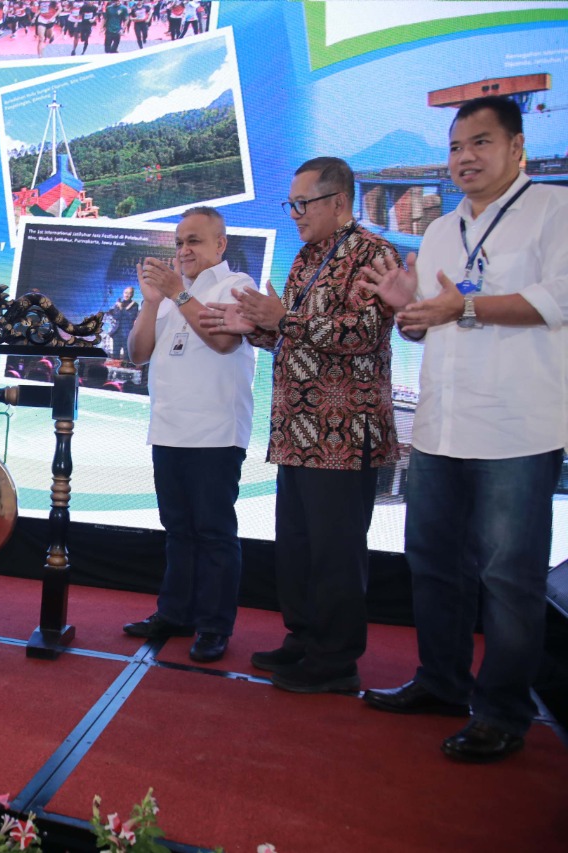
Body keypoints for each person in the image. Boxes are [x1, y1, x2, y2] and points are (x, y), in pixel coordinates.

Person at [357, 96, 568, 763]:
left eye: (480, 142)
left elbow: (556, 302)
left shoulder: (555, 212)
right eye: (454, 147)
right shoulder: (445, 229)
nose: (464, 158)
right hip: (443, 427)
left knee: (509, 578)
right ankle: (441, 681)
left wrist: (462, 305)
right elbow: (429, 320)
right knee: (434, 565)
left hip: (518, 428)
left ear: (516, 148)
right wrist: (407, 312)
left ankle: (503, 711)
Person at [198, 157, 400, 693]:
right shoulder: (307, 257)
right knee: (297, 547)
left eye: (302, 204)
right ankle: (304, 637)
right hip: (297, 430)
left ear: (339, 202)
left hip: (344, 430)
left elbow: (361, 332)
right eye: (290, 204)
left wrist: (278, 319)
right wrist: (255, 328)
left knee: (336, 552)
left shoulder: (375, 255)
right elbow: (294, 337)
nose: (293, 214)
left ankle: (335, 661)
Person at [121, 208, 255, 662]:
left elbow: (223, 342)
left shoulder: (239, 285)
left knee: (214, 532)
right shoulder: (172, 296)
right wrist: (152, 301)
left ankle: (215, 626)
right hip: (169, 430)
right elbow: (137, 355)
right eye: (179, 242)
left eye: (194, 241)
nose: (183, 251)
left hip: (215, 433)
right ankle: (174, 613)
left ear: (221, 244)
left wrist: (177, 294)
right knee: (178, 530)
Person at [107, 285, 140, 362]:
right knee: (115, 356)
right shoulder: (119, 303)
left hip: (127, 333)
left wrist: (122, 309)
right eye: (126, 293)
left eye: (129, 293)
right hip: (117, 333)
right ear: (123, 293)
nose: (127, 295)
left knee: (126, 356)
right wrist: (121, 308)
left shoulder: (134, 305)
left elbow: (131, 317)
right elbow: (116, 316)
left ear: (132, 295)